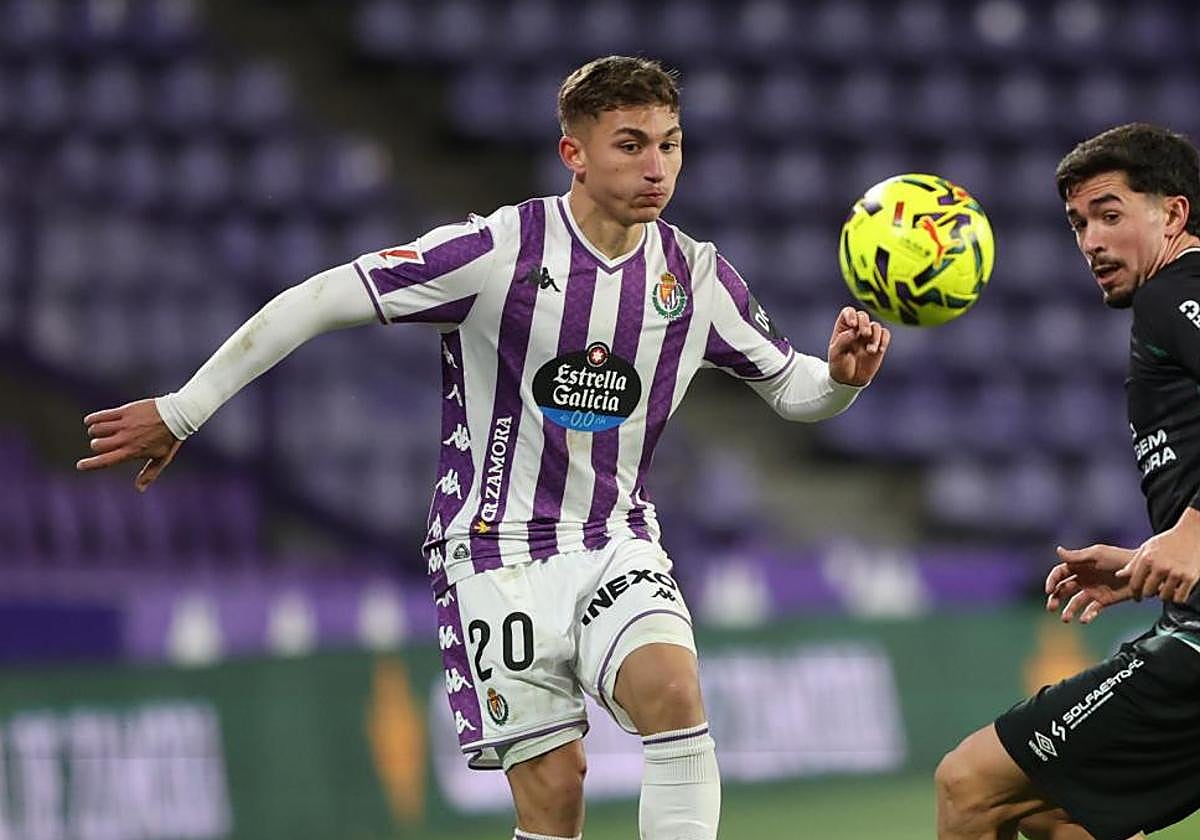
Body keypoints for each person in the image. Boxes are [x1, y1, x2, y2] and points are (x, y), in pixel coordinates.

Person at [76, 56, 890, 840]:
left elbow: (794, 390)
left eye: (669, 143)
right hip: (492, 555)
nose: (657, 167)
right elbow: (324, 297)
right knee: (555, 793)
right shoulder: (499, 252)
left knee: (675, 695)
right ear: (574, 152)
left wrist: (843, 379)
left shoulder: (696, 278)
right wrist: (185, 408)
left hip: (616, 541)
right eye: (631, 144)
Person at [935, 123, 1200, 840]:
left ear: (1172, 214)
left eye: (1110, 215)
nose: (1090, 241)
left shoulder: (1175, 294)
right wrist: (1150, 558)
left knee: (969, 784)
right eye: (1079, 224)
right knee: (1060, 812)